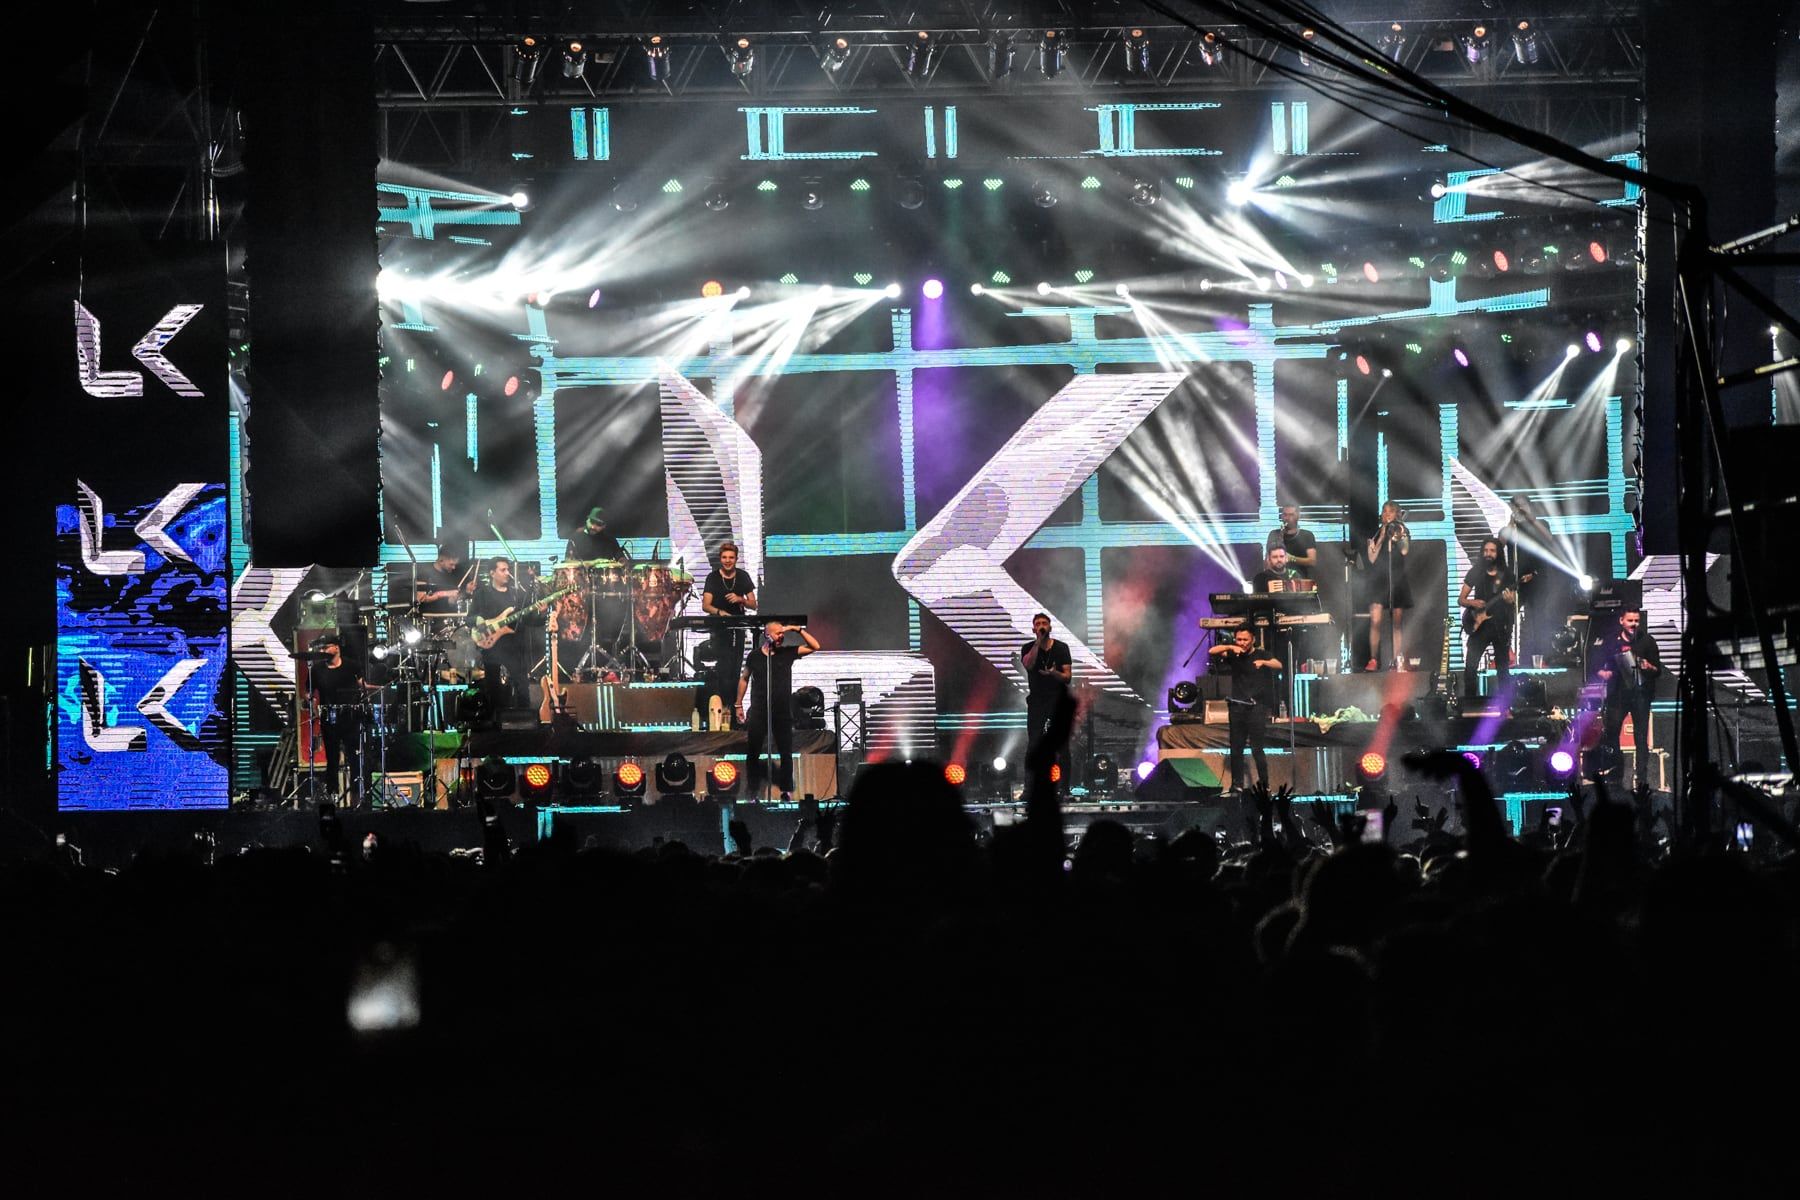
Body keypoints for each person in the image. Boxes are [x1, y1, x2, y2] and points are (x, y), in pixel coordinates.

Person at [736, 619, 820, 799]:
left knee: (785, 752)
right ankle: (753, 790)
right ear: (767, 635)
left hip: (782, 711)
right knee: (753, 751)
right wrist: (738, 704)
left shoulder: (787, 653)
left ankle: (786, 789)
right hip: (759, 709)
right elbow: (744, 678)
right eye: (778, 633)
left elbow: (815, 646)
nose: (781, 636)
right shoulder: (755, 656)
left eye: (783, 633)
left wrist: (797, 629)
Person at [1594, 609, 1663, 791]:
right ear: (1621, 621)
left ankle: (1641, 779)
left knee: (1640, 737)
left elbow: (1658, 670)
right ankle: (1617, 772)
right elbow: (1596, 664)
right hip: (1618, 696)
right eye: (1630, 620)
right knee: (1612, 733)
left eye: (1637, 620)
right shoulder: (1611, 641)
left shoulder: (1647, 641)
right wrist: (1604, 673)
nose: (1634, 624)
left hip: (1641, 695)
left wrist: (1648, 666)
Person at [1208, 627, 1282, 795]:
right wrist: (1229, 647)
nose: (1241, 643)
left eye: (1245, 640)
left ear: (1253, 639)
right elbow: (1212, 651)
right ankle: (1237, 784)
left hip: (1256, 707)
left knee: (1257, 748)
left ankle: (1264, 784)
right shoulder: (1234, 654)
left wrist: (1264, 663)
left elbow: (1278, 664)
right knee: (1236, 748)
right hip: (1237, 707)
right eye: (1239, 639)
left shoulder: (1261, 654)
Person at [468, 558, 538, 711]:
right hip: (492, 647)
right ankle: (495, 725)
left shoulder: (517, 594)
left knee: (522, 687)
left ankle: (523, 723)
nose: (508, 573)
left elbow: (529, 619)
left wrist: (542, 611)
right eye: (503, 570)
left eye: (508, 569)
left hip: (514, 646)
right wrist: (478, 619)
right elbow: (469, 618)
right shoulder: (482, 594)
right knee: (493, 688)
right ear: (492, 573)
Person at [702, 542, 758, 723]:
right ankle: (723, 711)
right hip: (720, 629)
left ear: (736, 559)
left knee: (736, 670)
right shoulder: (712, 577)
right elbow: (706, 605)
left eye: (731, 558)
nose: (728, 561)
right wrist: (720, 612)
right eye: (724, 558)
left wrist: (740, 599)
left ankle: (735, 711)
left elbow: (753, 603)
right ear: (720, 559)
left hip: (738, 628)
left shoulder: (742, 577)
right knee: (724, 669)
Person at [308, 634, 367, 803]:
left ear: (336, 648)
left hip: (350, 717)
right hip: (329, 717)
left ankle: (357, 797)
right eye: (321, 648)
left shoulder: (351, 666)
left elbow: (362, 686)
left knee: (355, 757)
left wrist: (378, 688)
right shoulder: (317, 669)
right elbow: (309, 692)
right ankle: (331, 796)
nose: (323, 650)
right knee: (332, 759)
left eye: (326, 647)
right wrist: (311, 704)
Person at [1459, 537, 1518, 699]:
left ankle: (1504, 706)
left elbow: (1512, 602)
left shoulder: (1507, 575)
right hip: (1480, 626)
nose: (1488, 554)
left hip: (1500, 625)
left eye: (1492, 551)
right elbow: (1461, 599)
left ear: (1498, 553)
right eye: (1485, 551)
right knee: (1470, 667)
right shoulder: (1476, 572)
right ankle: (1470, 704)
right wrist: (1472, 602)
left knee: (1503, 669)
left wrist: (1509, 600)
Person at [1019, 612, 1073, 778]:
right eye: (1038, 624)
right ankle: (1030, 788)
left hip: (1058, 700)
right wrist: (1038, 643)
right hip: (1037, 701)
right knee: (1034, 743)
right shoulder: (1028, 648)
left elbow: (1067, 677)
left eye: (1044, 623)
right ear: (1034, 628)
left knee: (1062, 744)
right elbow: (1028, 665)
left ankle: (1064, 788)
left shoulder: (1061, 648)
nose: (1041, 626)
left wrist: (1053, 673)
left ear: (1050, 627)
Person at [1366, 501, 1413, 670]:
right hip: (1379, 580)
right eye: (1384, 511)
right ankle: (1373, 658)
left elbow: (1405, 551)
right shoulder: (1377, 533)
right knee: (1376, 620)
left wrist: (1399, 533)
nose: (1386, 514)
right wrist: (1382, 536)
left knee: (1397, 623)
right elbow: (1371, 558)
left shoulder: (1402, 531)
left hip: (1397, 579)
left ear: (1397, 514)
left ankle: (1396, 661)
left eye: (1391, 512)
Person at [414, 543, 473, 617]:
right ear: (441, 560)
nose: (454, 567)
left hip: (448, 620)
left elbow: (452, 602)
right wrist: (446, 593)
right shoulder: (423, 573)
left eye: (455, 564)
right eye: (451, 564)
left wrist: (466, 592)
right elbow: (420, 598)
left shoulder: (454, 575)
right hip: (428, 619)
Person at [1265, 505, 1318, 578]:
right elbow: (1267, 561)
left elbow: (1312, 561)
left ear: (1298, 516)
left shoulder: (1307, 535)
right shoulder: (1274, 534)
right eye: (1285, 515)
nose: (1287, 518)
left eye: (1291, 515)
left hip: (1300, 581)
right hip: (1277, 581)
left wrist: (1292, 558)